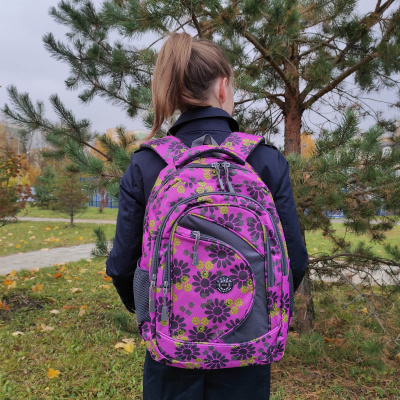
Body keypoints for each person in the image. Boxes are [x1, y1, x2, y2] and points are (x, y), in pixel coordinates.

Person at [106, 32, 308, 400]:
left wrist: (155, 308)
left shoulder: (147, 163)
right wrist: (256, 308)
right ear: (223, 86)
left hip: (171, 348)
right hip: (247, 348)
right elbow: (294, 260)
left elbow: (121, 266)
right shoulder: (264, 159)